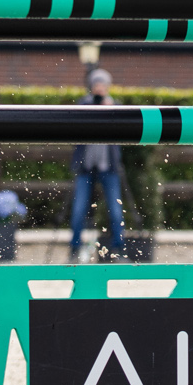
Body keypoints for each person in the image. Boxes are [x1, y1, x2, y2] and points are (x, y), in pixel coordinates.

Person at [68, 65, 125, 261]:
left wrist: (111, 109)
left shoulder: (114, 106)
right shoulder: (84, 105)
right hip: (85, 167)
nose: (99, 88)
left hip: (108, 167)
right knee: (78, 209)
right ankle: (74, 248)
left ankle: (118, 249)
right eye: (96, 85)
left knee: (116, 210)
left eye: (102, 85)